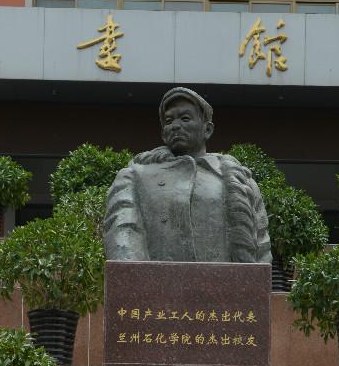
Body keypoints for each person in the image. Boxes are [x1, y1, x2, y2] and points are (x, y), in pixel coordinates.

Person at [103, 85, 271, 263]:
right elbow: (123, 239)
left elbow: (261, 247)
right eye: (169, 121)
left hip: (224, 280)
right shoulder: (135, 176)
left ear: (207, 130)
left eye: (185, 119)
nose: (175, 126)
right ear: (163, 134)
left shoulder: (238, 179)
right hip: (157, 279)